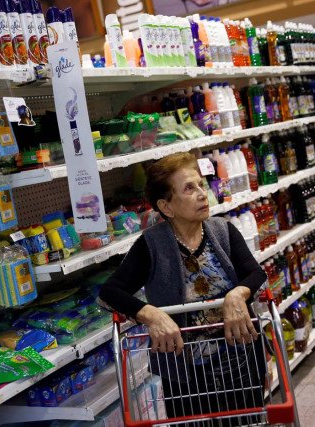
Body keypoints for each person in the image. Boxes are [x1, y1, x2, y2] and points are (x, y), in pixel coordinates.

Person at [99, 152, 268, 424]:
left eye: (201, 185)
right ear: (166, 207)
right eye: (189, 188)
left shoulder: (223, 231)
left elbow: (255, 274)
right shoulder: (151, 245)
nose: (202, 194)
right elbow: (110, 292)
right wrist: (152, 315)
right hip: (186, 375)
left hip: (240, 360)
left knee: (248, 420)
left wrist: (238, 293)